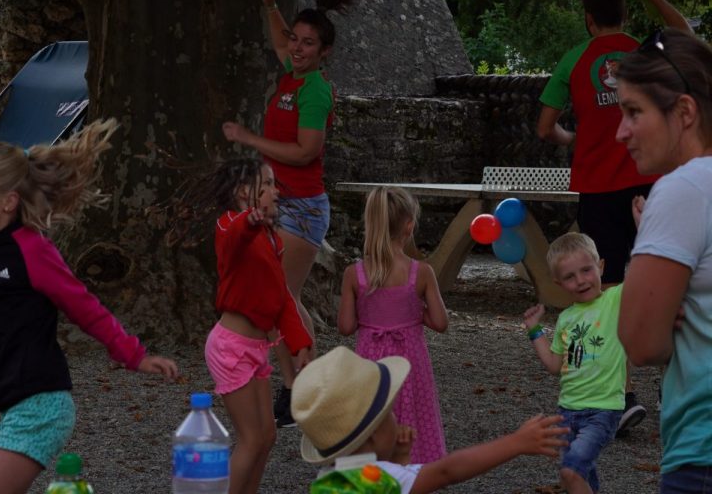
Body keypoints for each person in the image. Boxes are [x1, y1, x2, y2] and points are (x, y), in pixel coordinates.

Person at [0, 120, 178, 494]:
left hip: (41, 407)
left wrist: (134, 355)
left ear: (8, 201)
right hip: (15, 409)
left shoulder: (32, 250)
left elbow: (84, 307)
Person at [536, 0, 691, 433]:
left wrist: (573, 139)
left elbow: (545, 127)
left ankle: (619, 396)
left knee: (604, 292)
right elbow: (683, 29)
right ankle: (681, 385)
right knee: (668, 280)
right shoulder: (644, 53)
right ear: (625, 13)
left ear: (587, 17)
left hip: (599, 188)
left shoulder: (574, 60)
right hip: (650, 182)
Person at [222, 0, 370, 427]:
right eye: (296, 41)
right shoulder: (292, 72)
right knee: (283, 300)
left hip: (301, 209)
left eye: (309, 44)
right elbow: (281, 38)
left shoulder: (314, 91)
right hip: (279, 204)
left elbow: (306, 152)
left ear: (324, 52)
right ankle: (300, 386)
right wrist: (270, 6)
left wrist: (249, 140)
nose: (297, 48)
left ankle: (301, 389)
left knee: (279, 299)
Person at [614, 29, 712, 493]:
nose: (621, 131)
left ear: (685, 112)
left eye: (634, 112)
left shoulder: (684, 188)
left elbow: (640, 343)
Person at [291, 345, 569, 494]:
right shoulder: (376, 479)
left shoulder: (329, 480)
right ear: (373, 435)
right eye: (388, 412)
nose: (395, 415)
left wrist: (400, 456)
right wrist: (516, 442)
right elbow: (446, 471)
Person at [203, 158, 312, 494]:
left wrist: (300, 345)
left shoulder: (272, 239)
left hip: (255, 348)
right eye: (265, 186)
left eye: (273, 184)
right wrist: (250, 221)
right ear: (242, 193)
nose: (274, 191)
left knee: (267, 436)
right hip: (230, 347)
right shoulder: (229, 225)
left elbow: (281, 299)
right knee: (251, 440)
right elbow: (235, 237)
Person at [337, 186, 448, 463]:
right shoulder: (420, 272)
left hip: (370, 365)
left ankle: (371, 469)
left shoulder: (355, 274)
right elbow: (440, 322)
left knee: (371, 418)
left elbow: (346, 326)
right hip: (410, 362)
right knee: (413, 415)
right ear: (409, 226)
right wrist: (413, 312)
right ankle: (412, 468)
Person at [523, 233, 628, 493]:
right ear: (558, 282)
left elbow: (643, 271)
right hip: (567, 411)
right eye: (570, 276)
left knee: (571, 469)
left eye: (586, 270)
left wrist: (645, 226)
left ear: (601, 266)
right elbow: (554, 365)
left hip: (603, 410)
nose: (580, 280)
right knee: (582, 476)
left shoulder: (615, 300)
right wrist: (535, 330)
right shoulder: (566, 319)